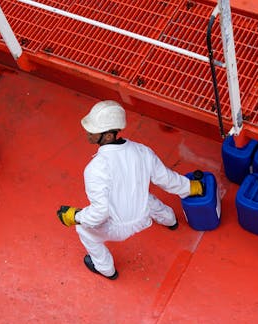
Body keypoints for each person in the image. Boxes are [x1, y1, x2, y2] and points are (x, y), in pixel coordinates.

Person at [57, 100, 203, 280]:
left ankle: (106, 269)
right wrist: (191, 187)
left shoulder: (95, 168)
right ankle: (170, 220)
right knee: (145, 197)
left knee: (84, 231)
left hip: (117, 228)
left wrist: (75, 216)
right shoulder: (142, 151)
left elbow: (100, 212)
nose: (87, 132)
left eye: (92, 130)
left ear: (109, 136)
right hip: (142, 215)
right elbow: (166, 179)